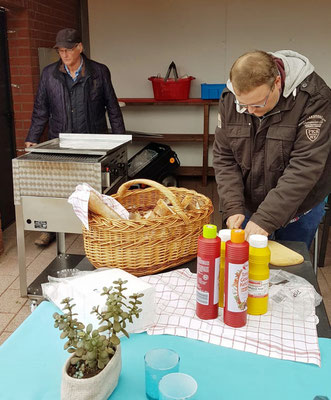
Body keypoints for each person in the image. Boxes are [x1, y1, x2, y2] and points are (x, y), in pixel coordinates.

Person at [213, 50, 331, 249]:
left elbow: (305, 166)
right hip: (249, 202)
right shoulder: (230, 98)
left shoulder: (315, 98)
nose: (250, 111)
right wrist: (233, 206)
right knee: (243, 271)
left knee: (291, 271)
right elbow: (225, 157)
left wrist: (266, 218)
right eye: (244, 105)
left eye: (258, 103)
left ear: (277, 83)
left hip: (299, 207)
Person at [25, 28, 125, 246]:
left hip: (93, 139)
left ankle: (100, 231)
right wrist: (32, 137)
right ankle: (51, 228)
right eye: (60, 50)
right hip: (60, 140)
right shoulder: (49, 74)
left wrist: (120, 141)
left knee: (95, 189)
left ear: (80, 47)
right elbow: (41, 109)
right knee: (56, 186)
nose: (65, 55)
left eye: (69, 49)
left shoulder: (99, 72)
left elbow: (112, 107)